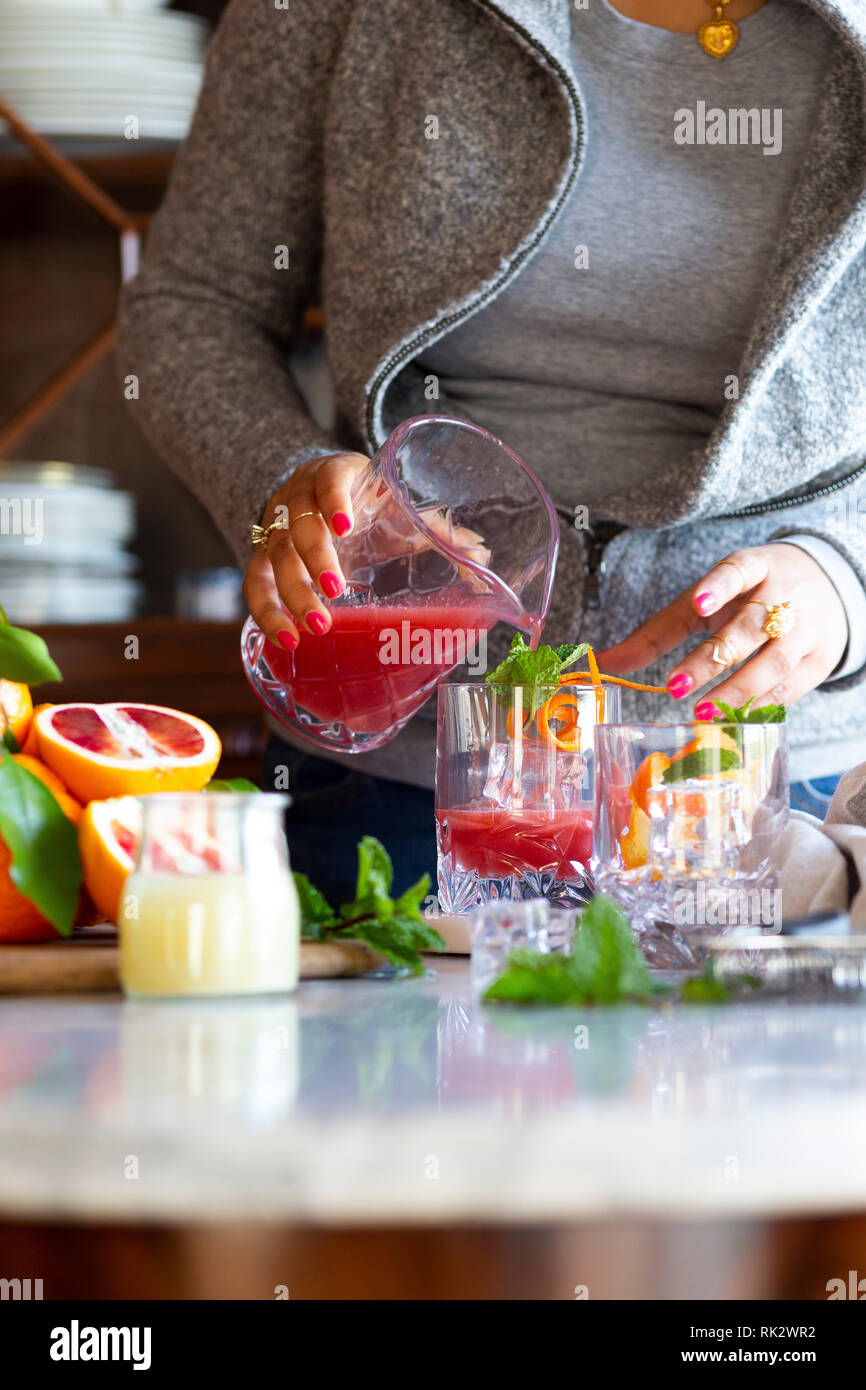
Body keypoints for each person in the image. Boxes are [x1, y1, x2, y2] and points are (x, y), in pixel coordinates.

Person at [120, 0, 866, 900]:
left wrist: (845, 576)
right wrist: (279, 484)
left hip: (769, 799)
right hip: (390, 786)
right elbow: (192, 306)